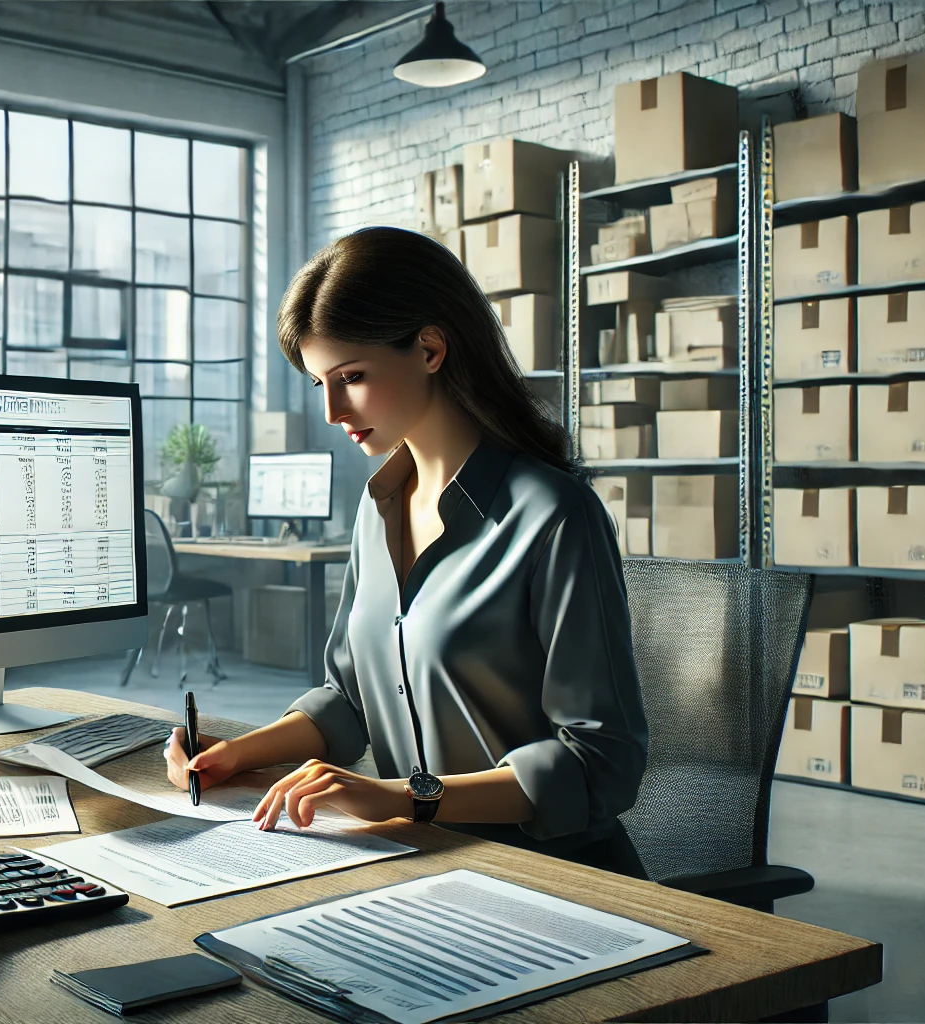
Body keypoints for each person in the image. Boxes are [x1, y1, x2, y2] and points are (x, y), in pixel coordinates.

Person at [164, 226, 649, 876]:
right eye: (320, 384)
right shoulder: (377, 505)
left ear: (429, 348)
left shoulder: (554, 516)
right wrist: (236, 755)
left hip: (554, 880)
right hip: (418, 867)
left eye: (353, 377)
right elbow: (352, 698)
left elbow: (603, 765)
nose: (334, 409)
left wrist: (405, 798)